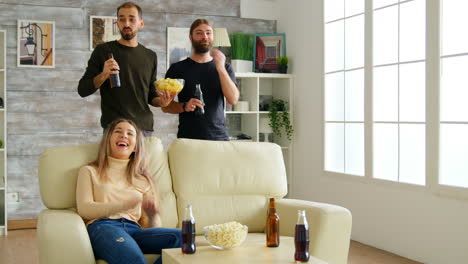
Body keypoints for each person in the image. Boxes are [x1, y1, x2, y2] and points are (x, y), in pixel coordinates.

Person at [76, 118, 181, 264]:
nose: (124, 135)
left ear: (136, 147)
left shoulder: (144, 179)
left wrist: (152, 216)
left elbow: (151, 228)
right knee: (135, 260)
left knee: (186, 238)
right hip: (103, 227)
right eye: (118, 131)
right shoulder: (89, 171)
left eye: (130, 134)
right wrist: (121, 206)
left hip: (134, 230)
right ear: (108, 140)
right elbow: (84, 209)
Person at [78, 2, 175, 136]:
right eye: (122, 19)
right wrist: (104, 74)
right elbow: (82, 89)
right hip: (114, 128)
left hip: (144, 128)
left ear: (141, 23)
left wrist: (162, 102)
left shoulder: (150, 56)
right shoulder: (103, 51)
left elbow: (151, 95)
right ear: (117, 22)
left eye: (131, 19)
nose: (126, 24)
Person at [162, 19, 239, 141]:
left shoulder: (225, 67)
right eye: (199, 33)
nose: (204, 37)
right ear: (190, 37)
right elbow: (165, 106)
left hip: (218, 137)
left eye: (208, 33)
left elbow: (233, 99)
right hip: (187, 138)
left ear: (213, 36)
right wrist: (184, 106)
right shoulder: (177, 68)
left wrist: (220, 67)